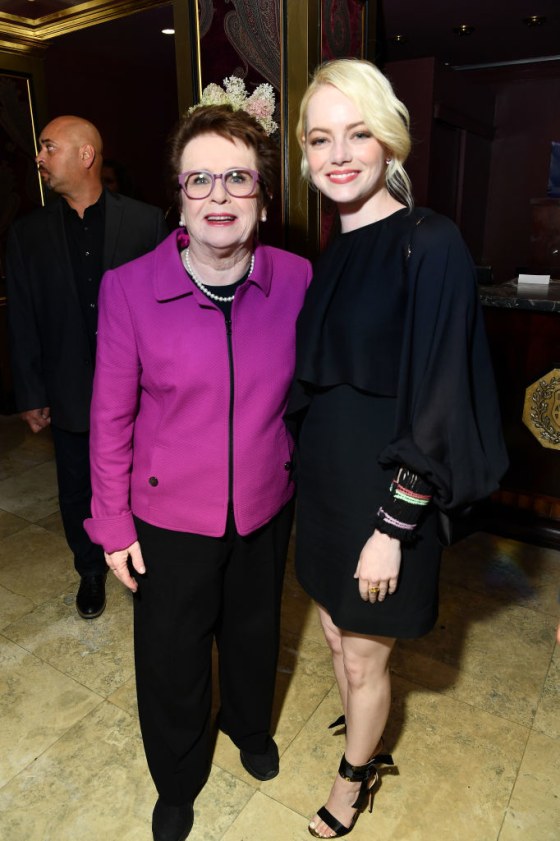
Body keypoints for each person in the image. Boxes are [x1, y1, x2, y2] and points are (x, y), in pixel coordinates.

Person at [288, 59, 508, 839]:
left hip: (386, 493)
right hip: (324, 486)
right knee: (334, 635)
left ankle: (356, 777)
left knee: (362, 657)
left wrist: (392, 526)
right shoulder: (335, 247)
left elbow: (442, 397)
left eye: (357, 133)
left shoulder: (430, 243)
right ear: (306, 153)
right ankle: (362, 734)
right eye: (320, 138)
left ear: (389, 141)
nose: (338, 153)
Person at [83, 93, 312, 841]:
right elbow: (110, 417)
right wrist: (111, 523)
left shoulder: (298, 281)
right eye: (200, 180)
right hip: (166, 515)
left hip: (263, 503)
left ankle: (249, 726)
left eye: (238, 179)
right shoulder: (127, 289)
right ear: (178, 198)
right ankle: (177, 776)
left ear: (264, 199)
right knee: (173, 655)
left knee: (253, 633)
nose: (220, 196)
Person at [5, 116, 167, 621]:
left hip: (141, 390)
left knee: (145, 479)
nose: (39, 157)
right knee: (77, 485)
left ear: (85, 155)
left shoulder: (146, 222)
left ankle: (148, 564)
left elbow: (167, 307)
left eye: (48, 147)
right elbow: (24, 316)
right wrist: (30, 392)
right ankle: (90, 571)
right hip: (70, 388)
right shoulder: (27, 233)